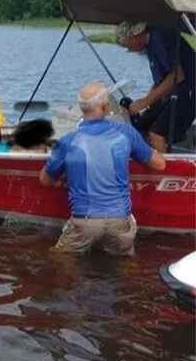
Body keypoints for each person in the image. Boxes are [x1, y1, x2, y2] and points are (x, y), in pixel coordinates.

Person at [39, 81, 165, 256]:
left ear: (81, 109)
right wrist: (151, 148)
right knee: (125, 265)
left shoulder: (67, 141)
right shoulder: (126, 132)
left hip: (84, 221)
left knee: (60, 259)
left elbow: (45, 180)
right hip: (119, 219)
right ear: (105, 107)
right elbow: (160, 164)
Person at [115, 21, 195, 151]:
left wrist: (145, 101)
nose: (128, 50)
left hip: (189, 90)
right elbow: (161, 81)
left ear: (135, 36)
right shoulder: (151, 46)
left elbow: (177, 76)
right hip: (175, 91)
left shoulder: (160, 38)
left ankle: (164, 169)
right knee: (140, 125)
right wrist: (146, 102)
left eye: (127, 45)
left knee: (156, 134)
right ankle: (151, 158)